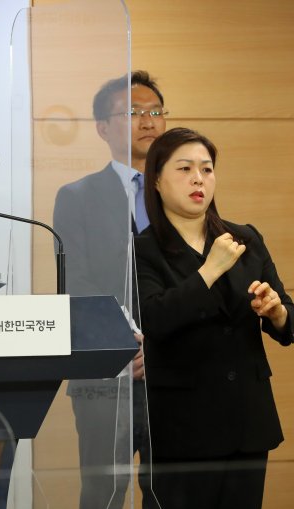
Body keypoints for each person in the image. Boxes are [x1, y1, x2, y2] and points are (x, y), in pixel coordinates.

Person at [136, 127, 292, 508]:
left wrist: (277, 313)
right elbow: (154, 318)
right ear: (156, 180)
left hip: (247, 423)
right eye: (185, 169)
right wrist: (209, 271)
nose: (198, 179)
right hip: (181, 428)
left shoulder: (245, 238)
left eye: (206, 169)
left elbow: (290, 322)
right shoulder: (143, 249)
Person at [53, 71, 166, 508]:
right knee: (104, 493)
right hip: (106, 375)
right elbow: (77, 284)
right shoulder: (77, 196)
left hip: (172, 374)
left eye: (156, 112)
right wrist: (127, 344)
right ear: (102, 128)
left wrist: (160, 346)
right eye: (134, 112)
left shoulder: (186, 193)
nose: (148, 121)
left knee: (167, 492)